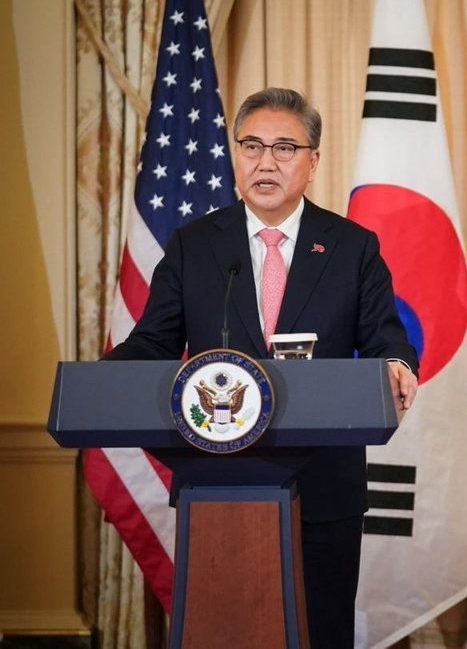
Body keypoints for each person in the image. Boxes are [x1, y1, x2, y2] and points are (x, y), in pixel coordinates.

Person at [105, 87, 419, 648]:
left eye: (283, 148)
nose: (265, 162)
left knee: (322, 632)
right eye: (251, 146)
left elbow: (384, 338)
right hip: (218, 481)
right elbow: (152, 342)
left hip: (325, 485)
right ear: (234, 154)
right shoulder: (194, 245)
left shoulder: (352, 247)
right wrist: (103, 380)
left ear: (313, 160)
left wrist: (396, 364)